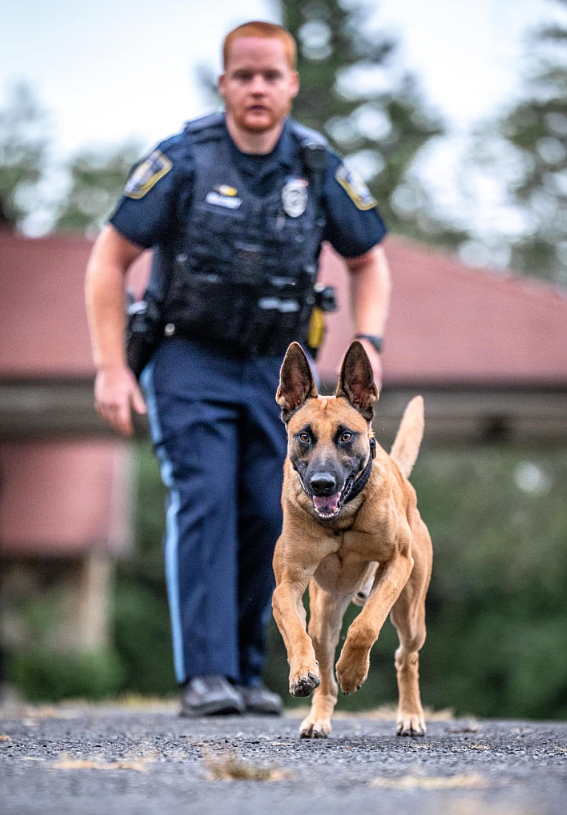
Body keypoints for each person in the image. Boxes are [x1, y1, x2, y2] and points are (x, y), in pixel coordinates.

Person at [85, 20, 391, 717]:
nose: (257, 87)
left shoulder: (315, 165)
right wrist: (110, 366)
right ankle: (205, 675)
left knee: (269, 508)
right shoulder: (182, 160)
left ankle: (249, 672)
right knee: (205, 500)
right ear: (224, 84)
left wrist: (367, 337)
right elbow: (109, 260)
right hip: (188, 355)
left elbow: (368, 260)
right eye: (243, 75)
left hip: (280, 371)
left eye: (270, 75)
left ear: (290, 84)